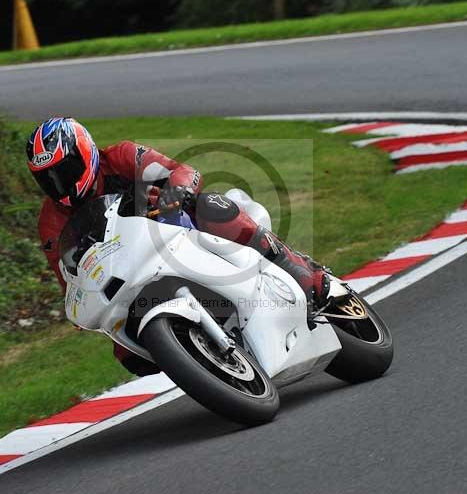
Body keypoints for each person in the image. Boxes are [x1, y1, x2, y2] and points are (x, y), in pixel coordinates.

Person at [28, 117, 332, 375]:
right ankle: (196, 355)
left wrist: (177, 191)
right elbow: (67, 277)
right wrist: (79, 305)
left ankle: (300, 270)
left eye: (64, 171)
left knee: (213, 207)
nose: (59, 184)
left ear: (85, 153)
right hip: (126, 268)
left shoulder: (121, 157)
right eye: (47, 179)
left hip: (172, 227)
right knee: (128, 356)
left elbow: (181, 170)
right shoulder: (50, 222)